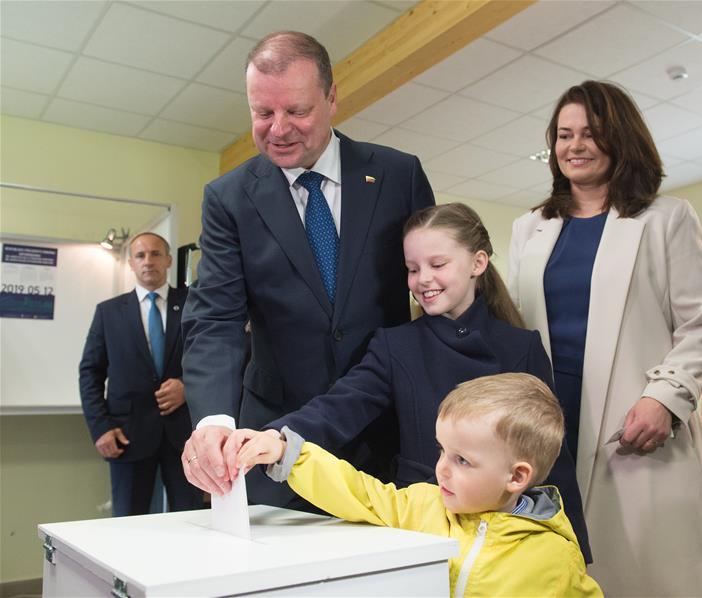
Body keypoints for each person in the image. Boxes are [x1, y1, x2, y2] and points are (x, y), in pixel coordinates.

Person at [190, 202, 590, 559]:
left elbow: (552, 456)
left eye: (437, 265)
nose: (423, 279)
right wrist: (275, 438)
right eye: (413, 269)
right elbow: (340, 406)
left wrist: (573, 546)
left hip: (510, 539)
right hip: (423, 523)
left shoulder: (521, 346)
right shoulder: (396, 344)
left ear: (477, 263)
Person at [180, 30, 434, 508]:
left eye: (296, 111)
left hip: (384, 429)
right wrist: (213, 419)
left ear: (332, 98)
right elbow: (215, 318)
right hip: (272, 435)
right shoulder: (229, 199)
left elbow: (437, 294)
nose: (278, 129)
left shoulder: (398, 176)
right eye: (262, 113)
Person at [507, 80, 702, 596]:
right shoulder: (530, 227)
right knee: (568, 572)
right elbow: (517, 324)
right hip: (553, 421)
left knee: (653, 572)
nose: (575, 146)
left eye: (590, 133)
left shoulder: (665, 218)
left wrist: (665, 399)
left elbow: (701, 326)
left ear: (621, 138)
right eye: (564, 135)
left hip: (637, 418)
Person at [227, 373, 602, 597]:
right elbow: (360, 493)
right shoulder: (425, 505)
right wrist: (288, 454)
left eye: (462, 460)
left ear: (517, 477)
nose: (441, 469)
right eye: (442, 451)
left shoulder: (556, 559)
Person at [79, 232, 202, 516]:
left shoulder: (193, 304)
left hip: (185, 435)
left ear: (168, 260)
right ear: (131, 264)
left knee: (193, 520)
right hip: (127, 436)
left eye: (155, 254)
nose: (148, 261)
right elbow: (90, 373)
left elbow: (213, 358)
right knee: (127, 524)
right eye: (140, 255)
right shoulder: (109, 313)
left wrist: (188, 386)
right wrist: (100, 427)